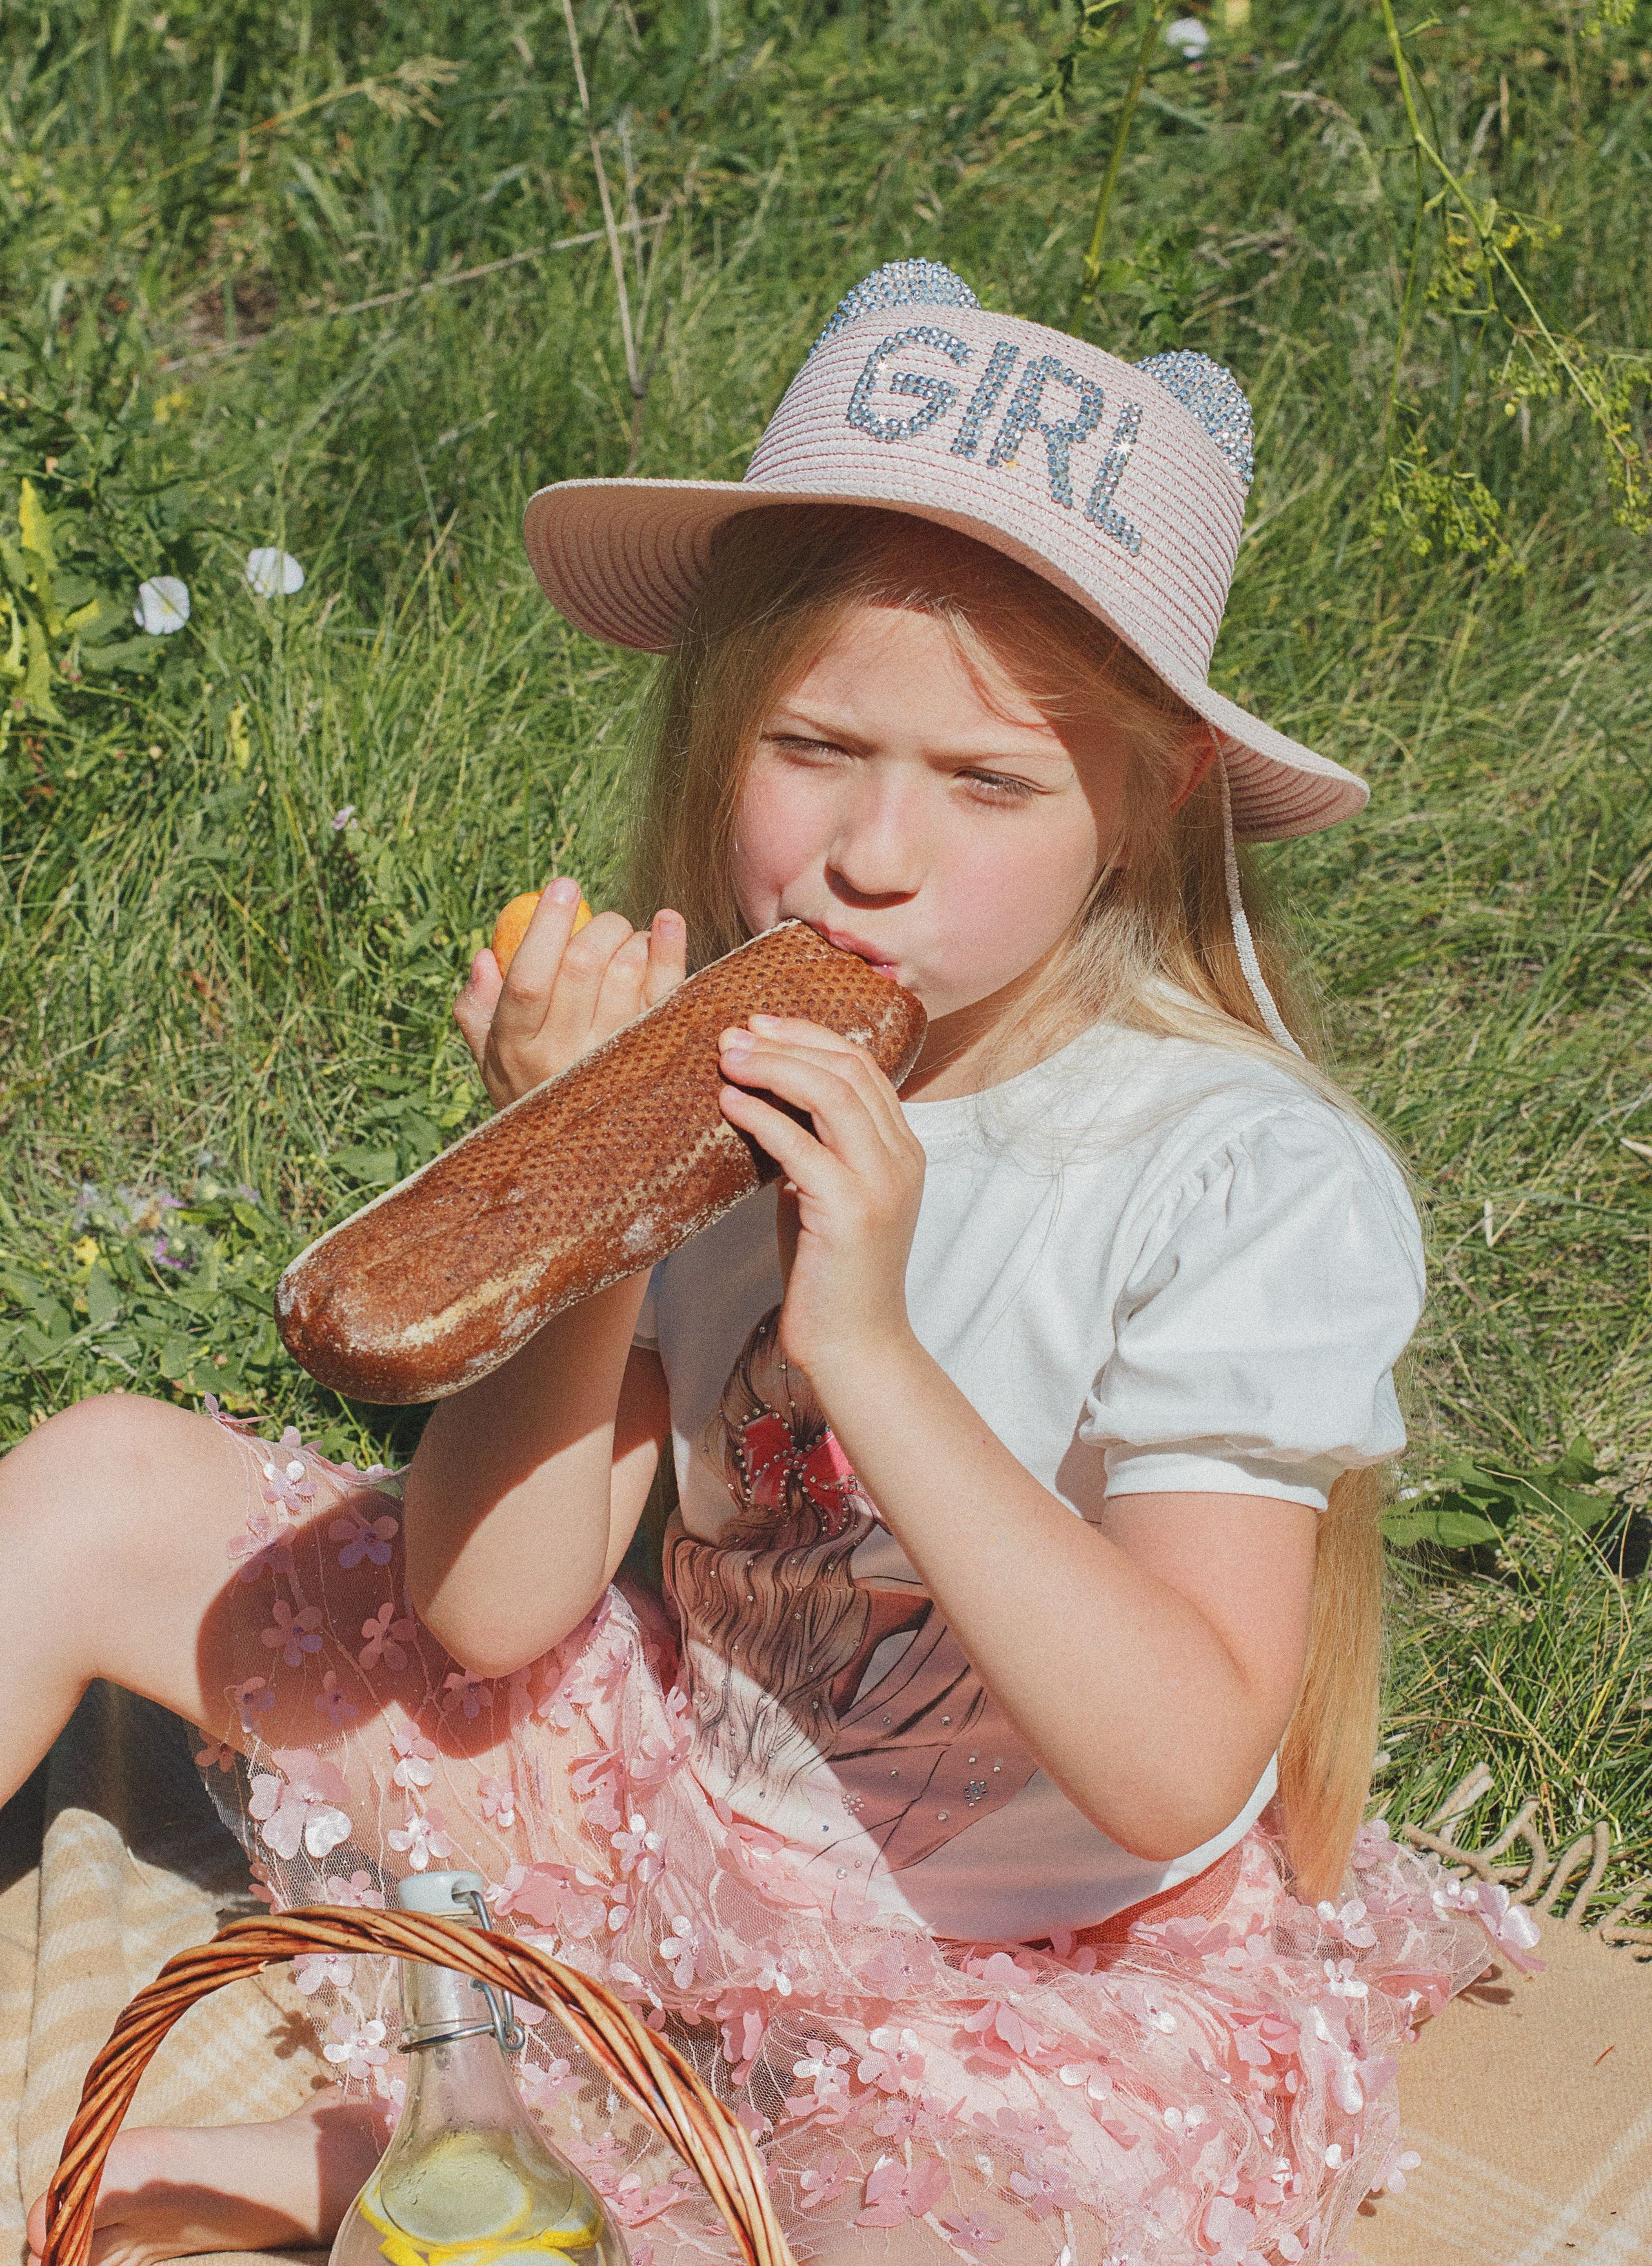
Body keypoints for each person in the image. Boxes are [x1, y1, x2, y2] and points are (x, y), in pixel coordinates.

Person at [5, 263, 1529, 2266]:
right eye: (816, 746)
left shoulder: (1237, 1176)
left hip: (1028, 1981)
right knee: (100, 1482)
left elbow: (1175, 1771)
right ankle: (510, 2130)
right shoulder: (705, 1053)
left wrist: (870, 1347)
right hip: (675, 1819)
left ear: (1147, 801)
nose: (874, 854)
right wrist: (576, 1192)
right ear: (720, 723)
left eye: (989, 782)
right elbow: (491, 1613)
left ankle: (466, 2153)